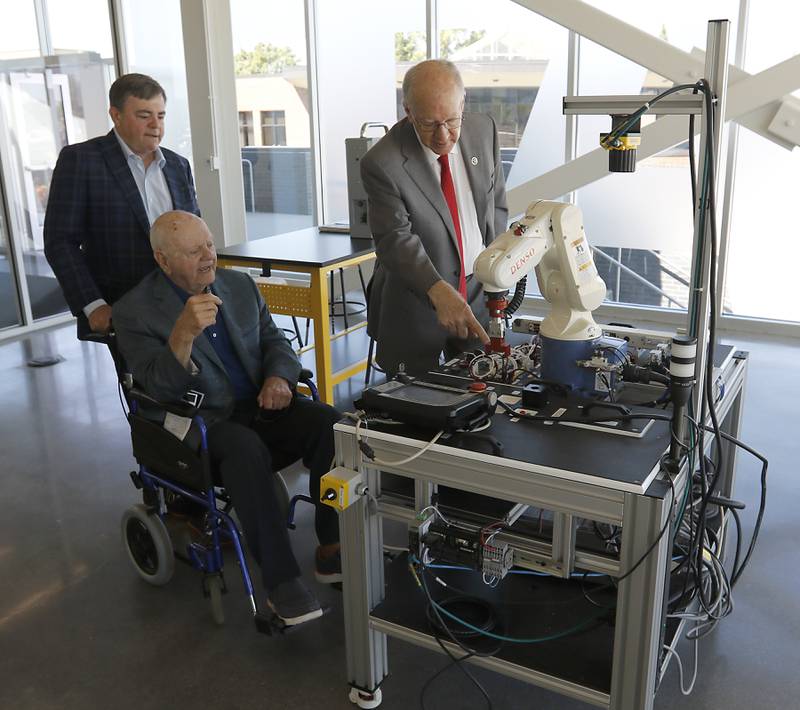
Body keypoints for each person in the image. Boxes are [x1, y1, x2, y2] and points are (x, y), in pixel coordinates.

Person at [112, 211, 342, 627]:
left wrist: (278, 377)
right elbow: (157, 391)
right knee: (242, 446)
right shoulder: (134, 311)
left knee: (331, 423)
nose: (207, 258)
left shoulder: (237, 285)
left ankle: (332, 544)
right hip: (200, 423)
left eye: (210, 246)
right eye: (192, 251)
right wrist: (182, 334)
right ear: (163, 261)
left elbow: (276, 341)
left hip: (261, 404)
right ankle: (282, 582)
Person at [360, 59, 508, 375]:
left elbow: (495, 205)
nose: (443, 137)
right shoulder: (382, 162)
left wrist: (499, 270)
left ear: (463, 103)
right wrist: (438, 291)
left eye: (452, 120)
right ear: (408, 111)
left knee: (481, 390)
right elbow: (395, 239)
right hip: (415, 300)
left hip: (477, 291)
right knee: (411, 407)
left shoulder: (484, 130)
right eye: (428, 123)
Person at [44, 73, 199, 339]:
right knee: (150, 380)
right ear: (116, 115)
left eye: (160, 116)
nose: (155, 125)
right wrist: (93, 306)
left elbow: (193, 235)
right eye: (144, 115)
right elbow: (60, 242)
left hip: (183, 303)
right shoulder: (81, 161)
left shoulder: (178, 165)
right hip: (122, 311)